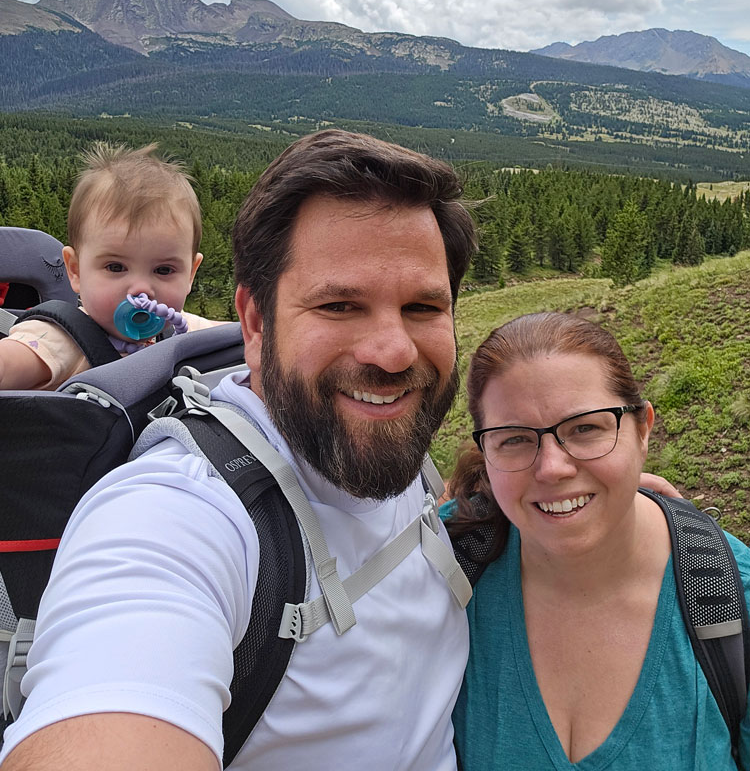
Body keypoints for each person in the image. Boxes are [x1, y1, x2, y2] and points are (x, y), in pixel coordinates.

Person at [0, 132, 678, 770]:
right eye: (340, 307)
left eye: (421, 308)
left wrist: (570, 492)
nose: (392, 351)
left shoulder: (376, 442)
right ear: (256, 322)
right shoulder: (174, 517)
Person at [444, 311, 750, 770]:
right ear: (485, 453)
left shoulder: (732, 596)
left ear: (642, 429)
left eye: (585, 428)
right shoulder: (445, 564)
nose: (552, 468)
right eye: (514, 440)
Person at [0, 143, 218, 391]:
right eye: (115, 267)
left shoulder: (182, 330)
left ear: (191, 273)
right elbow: (7, 365)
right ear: (75, 271)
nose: (140, 289)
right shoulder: (58, 341)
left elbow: (237, 336)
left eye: (164, 270)